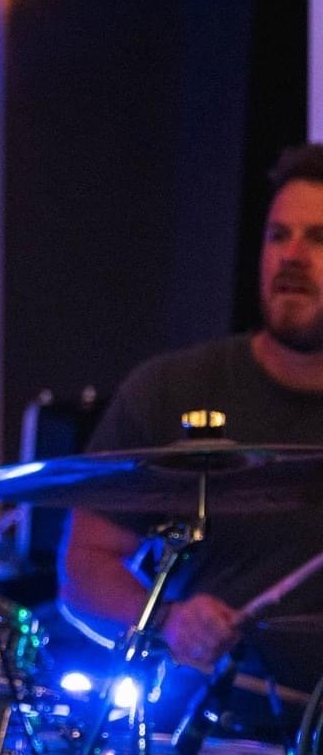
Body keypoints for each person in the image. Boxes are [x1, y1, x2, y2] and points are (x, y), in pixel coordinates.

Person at [60, 144, 323, 710]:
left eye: (318, 239)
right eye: (279, 236)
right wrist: (171, 621)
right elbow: (86, 566)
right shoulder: (173, 389)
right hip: (209, 743)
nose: (293, 257)